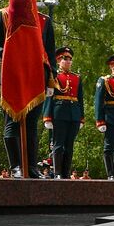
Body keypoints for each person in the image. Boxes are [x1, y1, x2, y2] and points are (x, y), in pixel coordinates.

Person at [0, 0, 56, 178]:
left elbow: (50, 52)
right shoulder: (3, 15)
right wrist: (7, 56)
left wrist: (51, 80)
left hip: (36, 76)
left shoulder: (44, 20)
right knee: (12, 122)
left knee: (31, 125)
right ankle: (16, 166)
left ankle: (31, 167)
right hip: (13, 76)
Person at [43, 46, 84, 181]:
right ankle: (58, 173)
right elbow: (49, 96)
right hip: (59, 113)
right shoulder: (54, 76)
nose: (68, 61)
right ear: (58, 60)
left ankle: (66, 173)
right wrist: (47, 116)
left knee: (69, 146)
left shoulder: (76, 78)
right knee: (58, 144)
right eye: (65, 59)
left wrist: (81, 118)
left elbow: (80, 98)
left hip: (74, 114)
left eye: (70, 59)